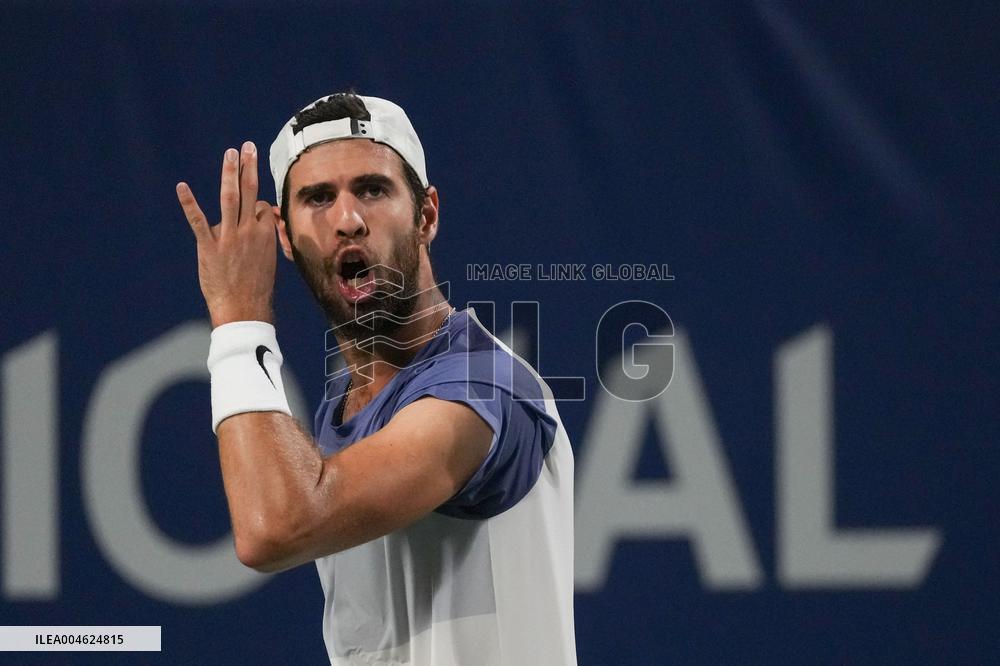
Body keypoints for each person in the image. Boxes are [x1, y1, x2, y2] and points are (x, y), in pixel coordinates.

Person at [175, 93, 576, 665]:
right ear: (285, 237)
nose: (348, 220)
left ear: (426, 216)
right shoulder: (346, 401)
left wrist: (239, 319)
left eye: (372, 189)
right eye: (318, 198)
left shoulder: (484, 387)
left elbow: (274, 527)